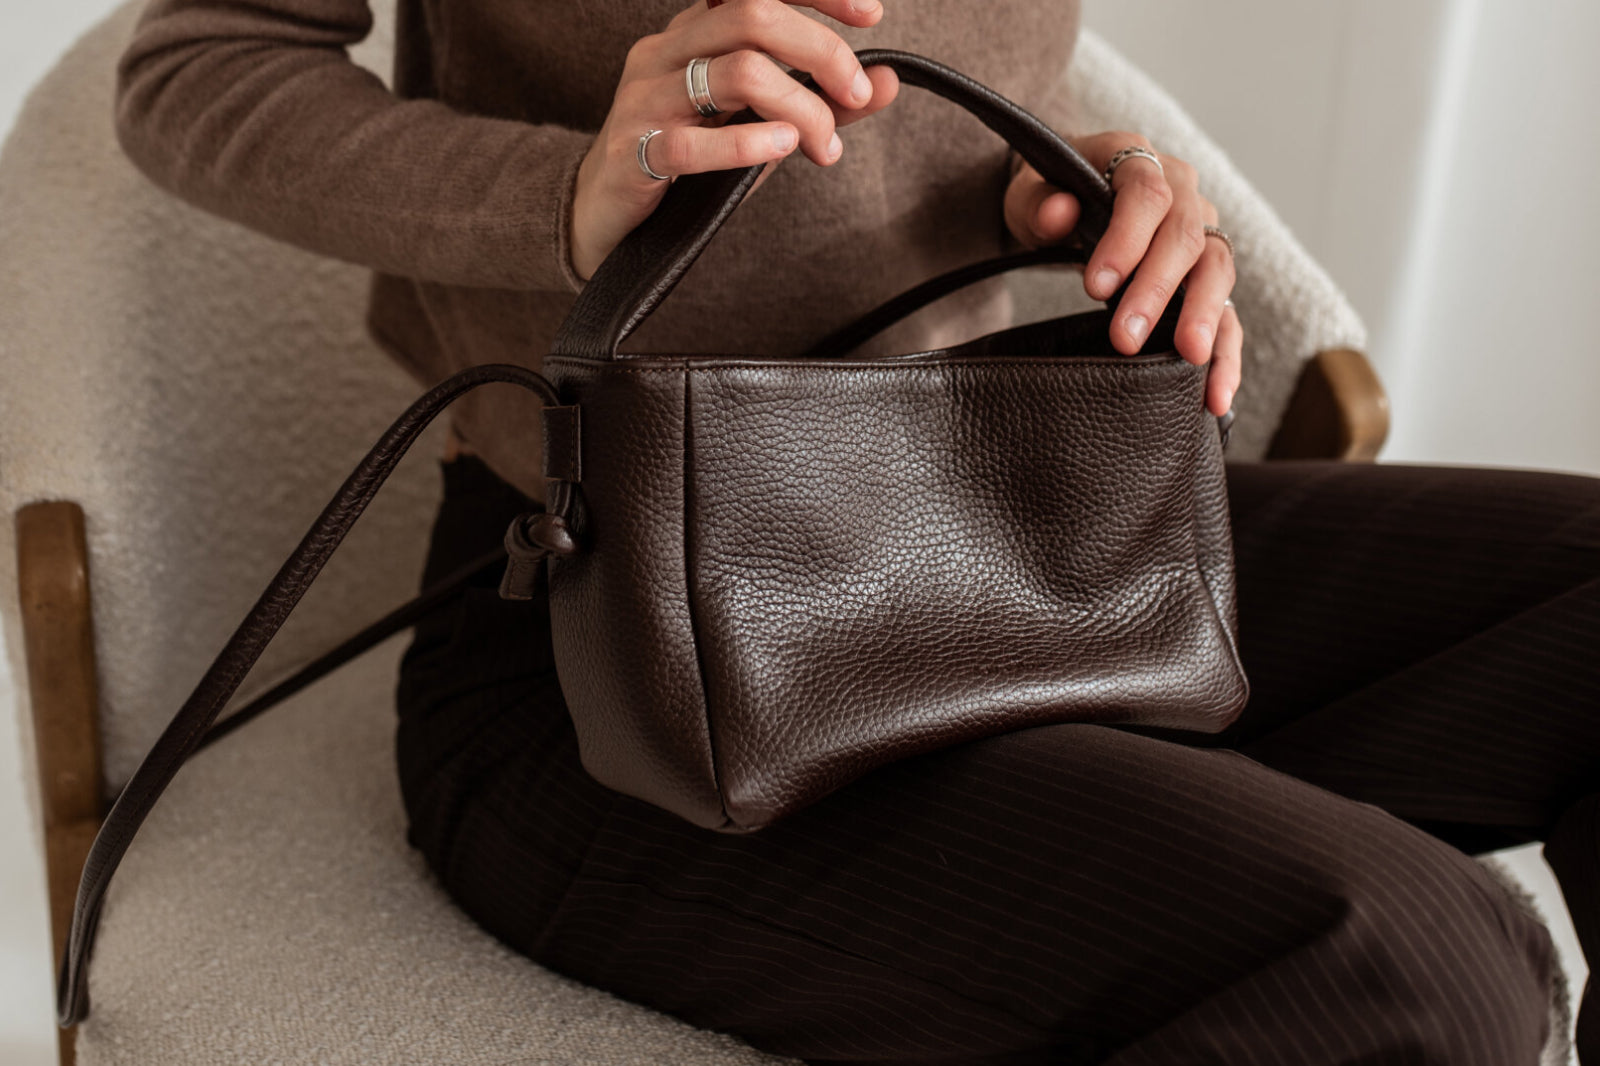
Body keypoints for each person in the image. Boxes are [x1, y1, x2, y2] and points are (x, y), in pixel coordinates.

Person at [112, 0, 1600, 1061]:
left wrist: (1060, 190)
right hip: (592, 647)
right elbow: (197, 66)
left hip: (991, 523)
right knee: (1410, 960)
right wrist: (568, 190)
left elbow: (919, 103)